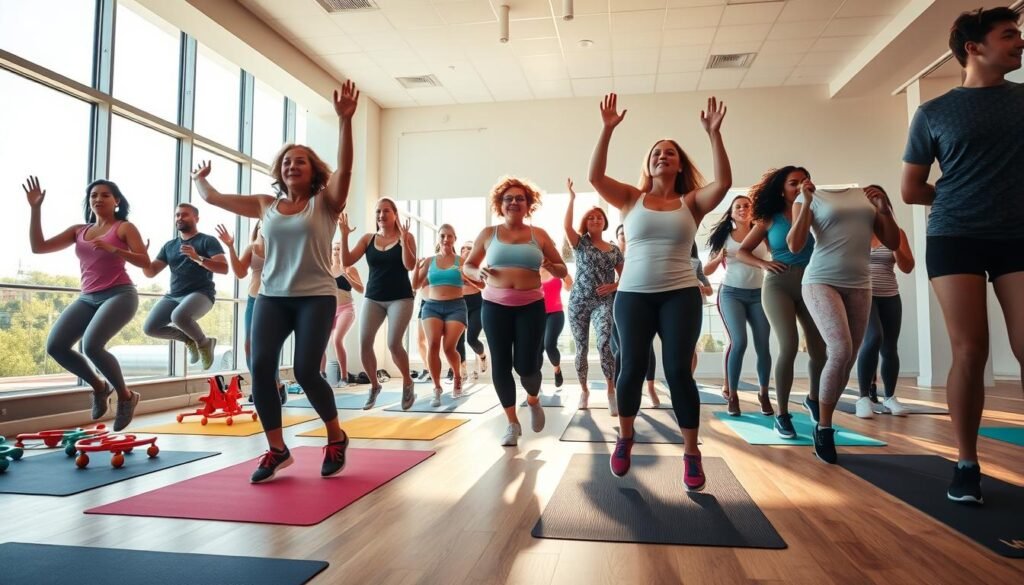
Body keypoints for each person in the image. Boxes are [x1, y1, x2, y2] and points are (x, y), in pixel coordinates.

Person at [191, 80, 360, 483]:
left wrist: (345, 122)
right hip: (271, 297)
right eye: (286, 162)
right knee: (261, 367)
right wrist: (200, 180)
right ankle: (277, 450)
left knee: (305, 370)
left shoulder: (327, 202)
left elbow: (347, 167)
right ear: (279, 172)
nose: (292, 166)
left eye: (300, 161)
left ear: (313, 169)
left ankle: (336, 437)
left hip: (316, 297)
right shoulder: (267, 205)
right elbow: (214, 198)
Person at [901, 7, 1024, 504]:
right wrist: (958, 197)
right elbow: (911, 189)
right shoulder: (934, 112)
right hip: (955, 236)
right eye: (1009, 35)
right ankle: (966, 463)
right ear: (974, 48)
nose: (1020, 42)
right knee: (971, 350)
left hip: (1016, 234)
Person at [590, 93, 731, 491]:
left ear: (679, 163)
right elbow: (595, 178)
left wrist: (714, 135)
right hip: (633, 295)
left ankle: (691, 452)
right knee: (631, 367)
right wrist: (606, 130)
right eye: (656, 152)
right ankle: (625, 437)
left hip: (679, 294)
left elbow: (724, 183)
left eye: (669, 153)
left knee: (677, 372)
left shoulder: (692, 201)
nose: (662, 156)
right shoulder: (631, 199)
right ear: (648, 163)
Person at [24, 177, 150, 431]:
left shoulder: (124, 228)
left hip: (120, 294)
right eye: (93, 195)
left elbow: (145, 262)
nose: (98, 199)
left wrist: (114, 250)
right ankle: (99, 386)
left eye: (105, 195)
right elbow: (38, 247)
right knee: (56, 346)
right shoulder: (78, 231)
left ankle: (126, 397)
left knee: (92, 345)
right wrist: (35, 208)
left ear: (117, 201)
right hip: (88, 297)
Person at [787, 180, 900, 463]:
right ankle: (824, 427)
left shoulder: (866, 199)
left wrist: (884, 211)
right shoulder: (809, 198)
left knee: (847, 360)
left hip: (861, 284)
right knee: (840, 350)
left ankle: (816, 403)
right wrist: (806, 201)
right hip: (820, 281)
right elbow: (794, 244)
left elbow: (893, 243)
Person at [464, 176, 568, 447]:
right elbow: (469, 266)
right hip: (494, 306)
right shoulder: (488, 234)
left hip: (530, 307)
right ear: (500, 204)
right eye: (508, 198)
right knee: (500, 364)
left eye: (519, 198)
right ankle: (511, 422)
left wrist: (552, 265)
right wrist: (478, 271)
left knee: (526, 366)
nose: (513, 202)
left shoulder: (540, 235)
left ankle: (533, 399)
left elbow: (562, 269)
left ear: (528, 204)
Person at [737, 166, 827, 440]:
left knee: (820, 351)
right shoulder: (769, 218)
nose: (799, 186)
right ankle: (782, 414)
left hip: (812, 282)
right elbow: (742, 251)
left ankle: (813, 398)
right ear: (782, 189)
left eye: (803, 181)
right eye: (793, 183)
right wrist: (764, 263)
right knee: (787, 346)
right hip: (779, 285)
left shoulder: (818, 212)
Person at [340, 198, 416, 410]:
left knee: (393, 343)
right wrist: (344, 235)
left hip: (400, 298)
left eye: (386, 211)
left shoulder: (406, 237)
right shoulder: (367, 239)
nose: (381, 215)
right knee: (364, 342)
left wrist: (404, 241)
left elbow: (409, 265)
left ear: (394, 214)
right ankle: (374, 386)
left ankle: (408, 382)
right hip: (373, 297)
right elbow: (346, 261)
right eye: (378, 212)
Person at [703, 195, 773, 417]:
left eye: (747, 205)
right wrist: (718, 258)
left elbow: (777, 254)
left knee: (763, 345)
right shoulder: (725, 237)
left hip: (759, 294)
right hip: (731, 294)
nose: (743, 209)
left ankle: (763, 394)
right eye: (738, 207)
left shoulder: (763, 233)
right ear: (732, 213)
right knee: (739, 342)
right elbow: (705, 271)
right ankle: (732, 395)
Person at [142, 203, 227, 370]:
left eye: (185, 215)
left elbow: (224, 268)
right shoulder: (169, 245)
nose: (180, 218)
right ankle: (188, 339)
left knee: (178, 316)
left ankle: (204, 343)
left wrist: (198, 258)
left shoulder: (207, 240)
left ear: (196, 218)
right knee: (150, 328)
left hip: (201, 293)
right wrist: (143, 257)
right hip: (174, 295)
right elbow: (150, 272)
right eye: (177, 215)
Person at [564, 178, 623, 412]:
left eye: (599, 216)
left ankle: (611, 391)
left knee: (604, 344)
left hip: (603, 302)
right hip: (578, 301)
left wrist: (614, 287)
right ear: (585, 223)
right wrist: (571, 199)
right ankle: (584, 391)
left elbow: (625, 277)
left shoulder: (614, 250)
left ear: (605, 221)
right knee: (581, 349)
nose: (595, 219)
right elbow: (566, 227)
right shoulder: (580, 244)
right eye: (591, 217)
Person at [854, 191, 914, 418]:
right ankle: (863, 398)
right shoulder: (855, 233)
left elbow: (907, 267)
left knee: (889, 347)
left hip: (890, 294)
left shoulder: (897, 233)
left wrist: (894, 242)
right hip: (863, 294)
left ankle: (890, 397)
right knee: (873, 338)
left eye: (877, 202)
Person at [215, 222, 286, 404]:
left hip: (275, 299)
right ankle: (260, 385)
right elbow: (239, 272)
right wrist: (230, 246)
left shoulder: (281, 246)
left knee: (269, 346)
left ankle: (275, 385)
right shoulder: (251, 248)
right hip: (254, 298)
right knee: (248, 345)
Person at [412, 225, 468, 406]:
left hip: (456, 307)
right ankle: (437, 388)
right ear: (438, 238)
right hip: (432, 306)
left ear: (454, 239)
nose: (446, 239)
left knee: (449, 348)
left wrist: (467, 276)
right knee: (433, 344)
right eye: (442, 236)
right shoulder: (429, 261)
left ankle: (457, 377)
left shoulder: (461, 261)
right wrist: (415, 269)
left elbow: (476, 282)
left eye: (449, 236)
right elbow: (416, 285)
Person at [610, 224, 660, 406]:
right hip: (614, 303)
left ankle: (651, 388)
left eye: (628, 234)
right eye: (622, 235)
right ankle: (619, 392)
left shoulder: (642, 254)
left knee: (647, 347)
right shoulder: (611, 254)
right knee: (620, 349)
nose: (625, 238)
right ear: (617, 239)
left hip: (640, 301)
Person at [324, 234, 364, 388]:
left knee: (337, 339)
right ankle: (321, 375)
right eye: (334, 249)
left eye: (339, 249)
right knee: (321, 341)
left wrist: (347, 276)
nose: (336, 251)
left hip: (347, 309)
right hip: (329, 310)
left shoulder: (350, 268)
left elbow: (361, 289)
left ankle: (344, 377)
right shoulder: (326, 267)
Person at [458, 241, 487, 380]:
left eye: (470, 248)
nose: (467, 250)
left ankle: (482, 355)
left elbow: (483, 286)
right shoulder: (455, 268)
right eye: (464, 248)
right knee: (458, 340)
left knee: (471, 339)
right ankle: (462, 370)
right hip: (459, 305)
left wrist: (466, 278)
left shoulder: (476, 269)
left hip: (477, 305)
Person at [540, 265, 572, 392]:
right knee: (537, 350)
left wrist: (564, 273)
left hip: (555, 313)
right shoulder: (532, 269)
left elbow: (568, 286)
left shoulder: (557, 269)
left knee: (549, 345)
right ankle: (536, 383)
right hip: (537, 315)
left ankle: (557, 369)